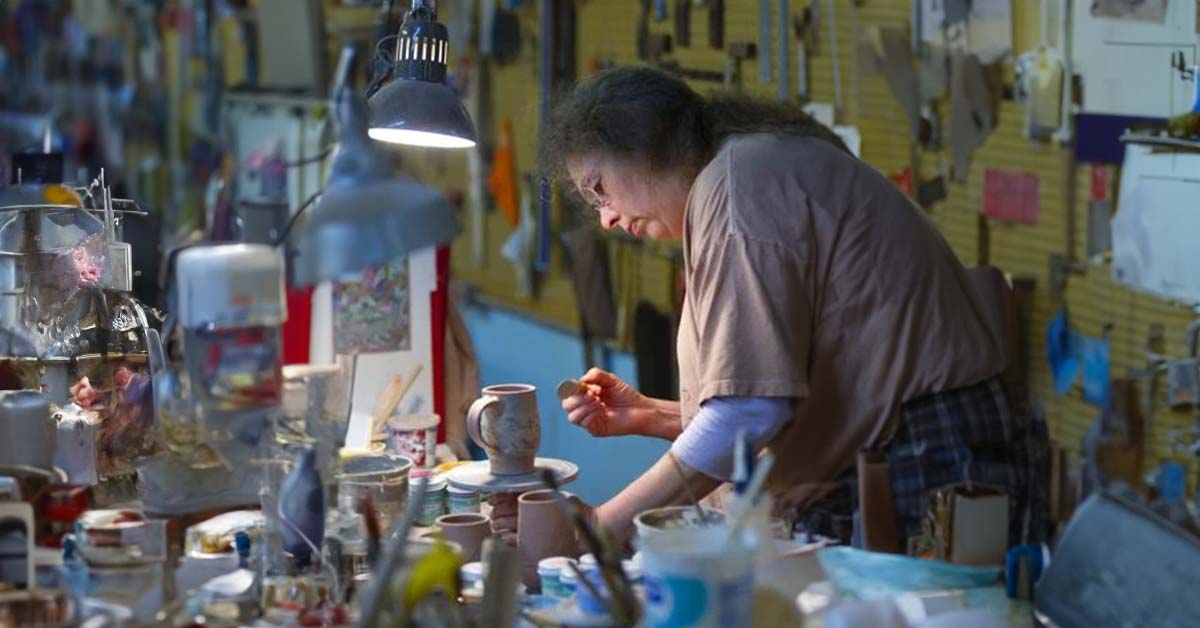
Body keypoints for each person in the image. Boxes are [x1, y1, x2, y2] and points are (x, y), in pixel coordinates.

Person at [496, 66, 1047, 550]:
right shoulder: (738, 176)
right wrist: (653, 415)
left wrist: (601, 526)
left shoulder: (737, 189)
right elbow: (765, 400)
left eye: (599, 190)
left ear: (641, 148)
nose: (607, 219)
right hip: (908, 446)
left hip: (936, 457)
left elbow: (750, 413)